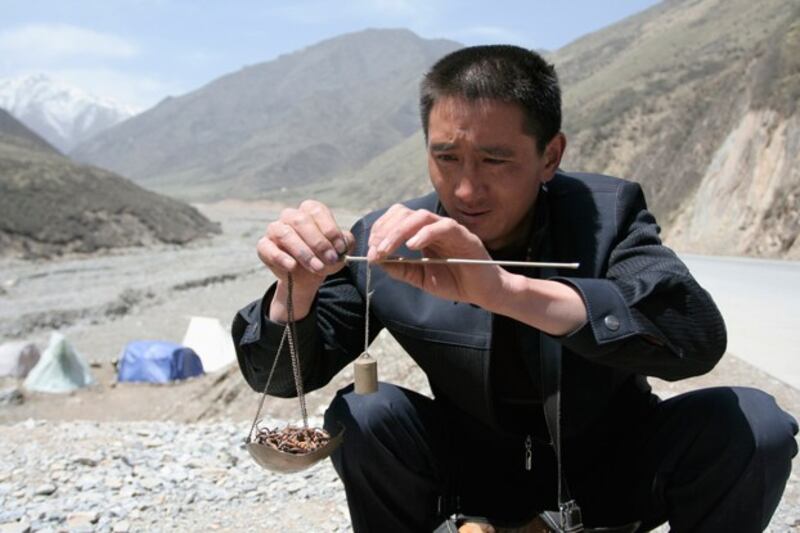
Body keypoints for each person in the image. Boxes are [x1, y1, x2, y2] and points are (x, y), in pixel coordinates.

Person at [233, 45, 797, 532]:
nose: (465, 187)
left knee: (753, 424)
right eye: (445, 156)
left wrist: (502, 290)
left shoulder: (609, 213)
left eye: (495, 160)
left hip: (613, 472)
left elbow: (693, 336)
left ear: (550, 155)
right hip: (468, 477)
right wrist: (294, 289)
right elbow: (280, 379)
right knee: (366, 411)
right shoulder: (388, 240)